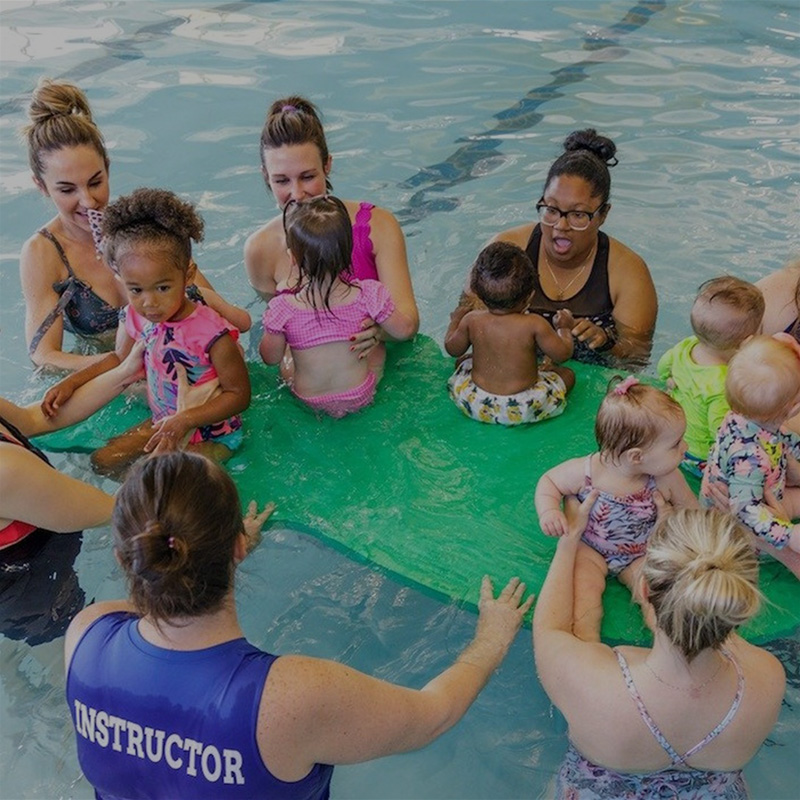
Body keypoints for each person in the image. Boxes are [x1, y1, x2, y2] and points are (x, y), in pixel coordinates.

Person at [65, 451, 533, 800]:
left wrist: (218, 551)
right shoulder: (288, 697)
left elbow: (152, 600)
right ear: (239, 548)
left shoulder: (86, 636)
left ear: (124, 557)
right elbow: (434, 715)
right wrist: (490, 640)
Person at [534, 504, 785, 799]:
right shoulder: (768, 677)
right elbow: (707, 621)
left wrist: (570, 541)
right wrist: (655, 601)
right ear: (741, 604)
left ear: (644, 588)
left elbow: (550, 629)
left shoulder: (593, 682)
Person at [19, 77, 250, 372]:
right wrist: (125, 367)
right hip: (111, 371)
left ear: (108, 168)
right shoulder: (43, 252)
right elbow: (43, 356)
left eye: (96, 182)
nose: (88, 201)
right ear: (41, 185)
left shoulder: (139, 227)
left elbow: (208, 304)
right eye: (67, 190)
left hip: (172, 357)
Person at [46, 188, 251, 477]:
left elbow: (239, 394)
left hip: (213, 435)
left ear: (188, 275)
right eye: (136, 290)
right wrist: (72, 383)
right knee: (102, 462)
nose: (149, 302)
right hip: (164, 421)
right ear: (121, 281)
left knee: (160, 475)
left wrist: (185, 420)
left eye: (163, 288)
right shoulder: (134, 316)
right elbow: (119, 360)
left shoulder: (212, 334)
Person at [455, 129, 657, 367]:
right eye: (551, 210)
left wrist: (605, 343)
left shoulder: (627, 271)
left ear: (603, 214)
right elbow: (465, 322)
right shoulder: (505, 251)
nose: (561, 226)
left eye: (578, 214)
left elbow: (637, 356)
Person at [244, 95, 419, 359]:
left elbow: (408, 323)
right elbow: (278, 327)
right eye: (281, 181)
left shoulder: (377, 227)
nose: (297, 193)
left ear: (327, 165)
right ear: (266, 177)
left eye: (308, 176)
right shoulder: (259, 249)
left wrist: (377, 333)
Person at [534, 377, 697, 641]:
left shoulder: (667, 477)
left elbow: (691, 510)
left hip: (642, 553)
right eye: (676, 444)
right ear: (636, 457)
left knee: (657, 597)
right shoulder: (586, 471)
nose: (685, 448)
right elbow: (548, 482)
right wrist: (549, 511)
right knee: (585, 595)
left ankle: (667, 645)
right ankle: (587, 646)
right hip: (591, 548)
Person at [259, 195, 416, 418]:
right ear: (349, 250)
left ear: (292, 258)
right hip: (359, 395)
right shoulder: (369, 294)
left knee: (286, 359)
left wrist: (276, 326)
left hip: (309, 399)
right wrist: (378, 330)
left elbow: (269, 358)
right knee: (378, 349)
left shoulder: (283, 308)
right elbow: (405, 330)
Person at [700, 334, 800, 577]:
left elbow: (786, 439)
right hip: (740, 524)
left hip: (759, 491)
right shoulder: (749, 456)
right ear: (794, 409)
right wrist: (788, 534)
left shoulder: (744, 417)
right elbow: (745, 510)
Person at [444, 241, 575, 426]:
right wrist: (564, 328)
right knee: (568, 375)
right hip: (523, 407)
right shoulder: (534, 324)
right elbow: (563, 354)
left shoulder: (472, 320)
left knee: (463, 361)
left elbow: (452, 349)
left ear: (479, 296)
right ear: (530, 296)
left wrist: (455, 320)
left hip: (476, 403)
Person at [658, 276, 764, 477]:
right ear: (747, 342)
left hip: (673, 440)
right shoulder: (724, 383)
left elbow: (664, 365)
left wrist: (669, 378)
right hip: (698, 457)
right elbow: (721, 429)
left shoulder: (685, 347)